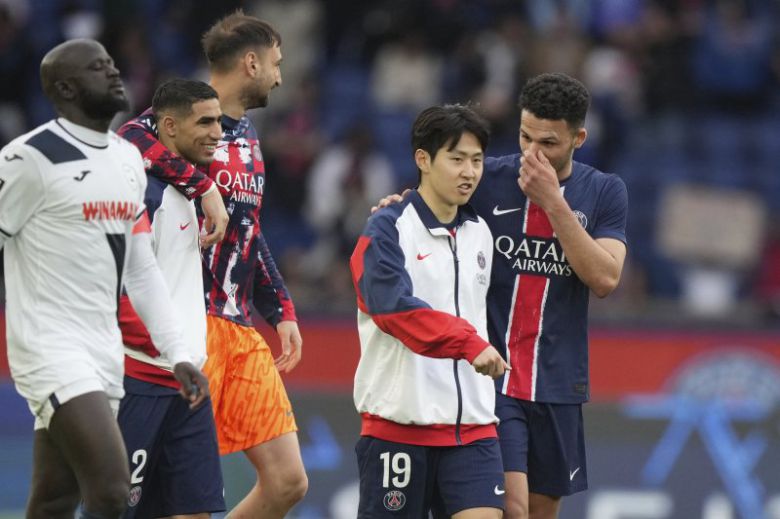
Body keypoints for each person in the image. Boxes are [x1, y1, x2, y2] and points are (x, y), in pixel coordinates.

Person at [374, 73, 628, 519]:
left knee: (538, 511)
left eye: (548, 143)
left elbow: (605, 278)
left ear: (579, 138)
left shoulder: (605, 191)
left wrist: (553, 202)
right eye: (525, 136)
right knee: (510, 508)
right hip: (492, 378)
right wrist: (394, 208)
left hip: (558, 382)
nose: (533, 154)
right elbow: (423, 205)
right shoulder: (487, 178)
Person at [0, 39, 209, 519]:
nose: (114, 73)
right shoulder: (28, 159)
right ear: (66, 88)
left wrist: (175, 351)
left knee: (55, 497)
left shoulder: (125, 159)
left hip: (103, 350)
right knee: (113, 489)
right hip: (49, 346)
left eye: (113, 64)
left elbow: (140, 267)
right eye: (98, 68)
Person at [119, 11, 307, 517]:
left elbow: (249, 228)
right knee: (168, 501)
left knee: (288, 481)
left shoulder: (246, 134)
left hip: (239, 325)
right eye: (275, 63)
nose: (280, 76)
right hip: (189, 324)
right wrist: (202, 186)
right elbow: (128, 140)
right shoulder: (179, 119)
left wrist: (282, 308)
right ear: (251, 62)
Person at [350, 104, 510, 518]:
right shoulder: (386, 229)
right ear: (423, 159)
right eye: (456, 159)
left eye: (477, 161)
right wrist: (468, 343)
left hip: (474, 432)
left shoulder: (481, 233)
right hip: (398, 430)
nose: (469, 172)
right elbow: (393, 310)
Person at [116, 78, 225, 518]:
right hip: (138, 381)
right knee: (114, 509)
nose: (218, 132)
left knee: (195, 511)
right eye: (205, 122)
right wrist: (164, 349)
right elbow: (121, 289)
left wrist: (186, 356)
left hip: (189, 383)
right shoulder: (143, 192)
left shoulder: (189, 187)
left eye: (219, 120)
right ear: (168, 127)